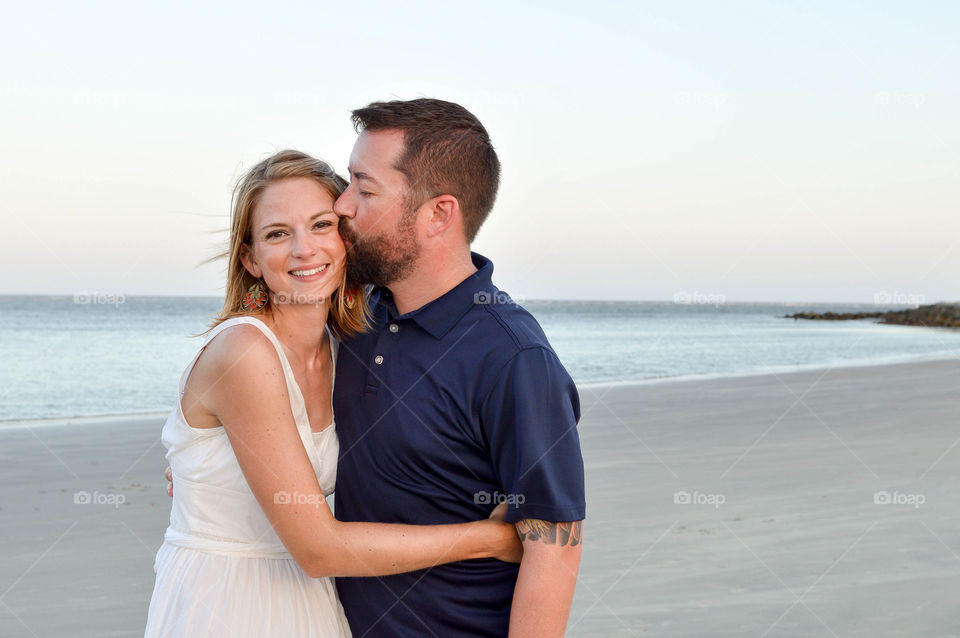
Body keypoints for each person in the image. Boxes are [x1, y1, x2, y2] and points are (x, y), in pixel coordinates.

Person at [146, 150, 522, 638]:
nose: (304, 249)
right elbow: (317, 548)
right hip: (228, 602)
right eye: (278, 233)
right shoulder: (245, 352)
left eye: (321, 225)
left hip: (311, 603)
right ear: (251, 260)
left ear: (348, 238)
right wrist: (489, 539)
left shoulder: (348, 350)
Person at [331, 98, 586, 637]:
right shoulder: (351, 316)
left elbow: (553, 545)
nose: (342, 205)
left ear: (438, 214)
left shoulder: (514, 357)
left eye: (364, 188)